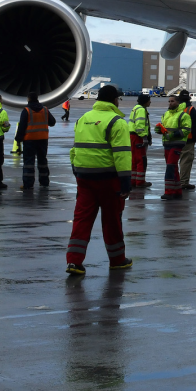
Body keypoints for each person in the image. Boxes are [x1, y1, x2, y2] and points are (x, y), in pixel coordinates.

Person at [65, 85, 132, 275]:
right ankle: (117, 260)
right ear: (114, 100)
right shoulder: (117, 122)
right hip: (109, 180)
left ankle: (74, 262)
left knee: (81, 219)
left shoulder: (83, 119)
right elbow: (122, 155)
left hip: (84, 178)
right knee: (112, 221)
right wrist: (126, 182)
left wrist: (77, 173)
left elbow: (74, 150)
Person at [15, 93, 56, 189]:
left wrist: (18, 139)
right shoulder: (45, 109)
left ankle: (28, 184)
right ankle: (44, 182)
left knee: (29, 162)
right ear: (37, 98)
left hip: (30, 140)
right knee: (42, 161)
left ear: (28, 99)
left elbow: (22, 126)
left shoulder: (27, 110)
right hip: (43, 139)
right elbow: (52, 122)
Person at [156, 95, 191, 200]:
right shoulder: (166, 114)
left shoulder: (183, 115)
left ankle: (169, 191)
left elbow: (187, 129)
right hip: (167, 143)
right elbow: (164, 126)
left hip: (177, 144)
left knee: (170, 167)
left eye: (172, 101)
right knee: (173, 167)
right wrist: (159, 129)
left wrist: (173, 135)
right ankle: (177, 191)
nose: (170, 103)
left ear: (178, 102)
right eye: (169, 101)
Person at [176, 90, 196, 191]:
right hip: (188, 139)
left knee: (174, 161)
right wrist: (195, 138)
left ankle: (176, 181)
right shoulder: (190, 109)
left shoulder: (175, 109)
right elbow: (194, 125)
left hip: (176, 138)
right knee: (186, 161)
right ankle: (183, 182)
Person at [128, 94, 152, 188]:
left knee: (134, 160)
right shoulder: (141, 110)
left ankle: (133, 180)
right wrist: (144, 137)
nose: (150, 102)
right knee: (141, 160)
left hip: (132, 137)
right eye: (149, 100)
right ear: (145, 101)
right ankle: (140, 181)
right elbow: (140, 125)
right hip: (138, 137)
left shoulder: (135, 108)